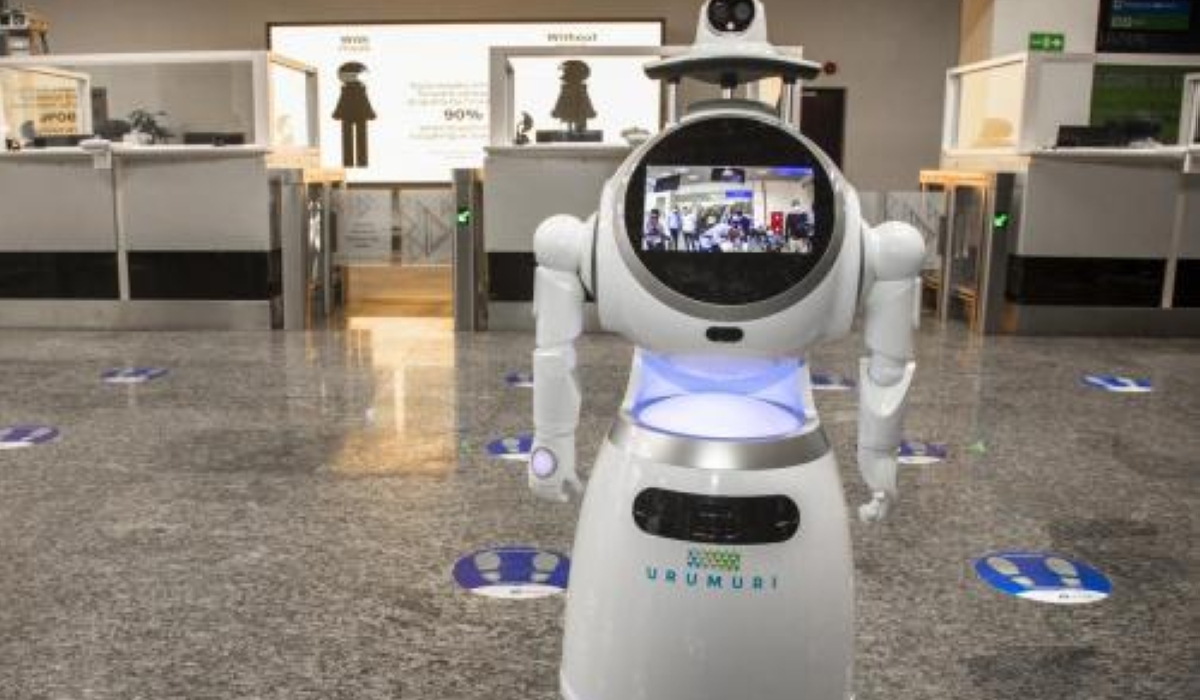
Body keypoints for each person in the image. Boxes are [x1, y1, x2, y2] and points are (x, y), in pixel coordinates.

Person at [333, 62, 377, 168]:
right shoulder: (357, 89)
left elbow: (342, 102)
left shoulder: (349, 89)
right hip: (358, 114)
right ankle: (359, 162)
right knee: (356, 139)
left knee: (353, 139)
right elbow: (364, 102)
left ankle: (355, 162)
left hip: (349, 114)